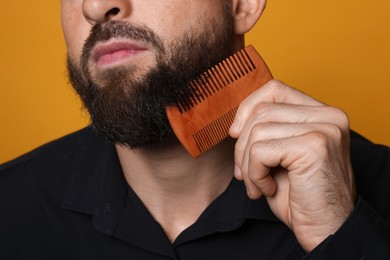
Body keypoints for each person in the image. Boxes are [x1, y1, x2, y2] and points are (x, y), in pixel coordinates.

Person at [0, 0, 389, 259]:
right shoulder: (10, 210)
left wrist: (342, 238)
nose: (96, 6)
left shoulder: (377, 193)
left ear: (242, 4)